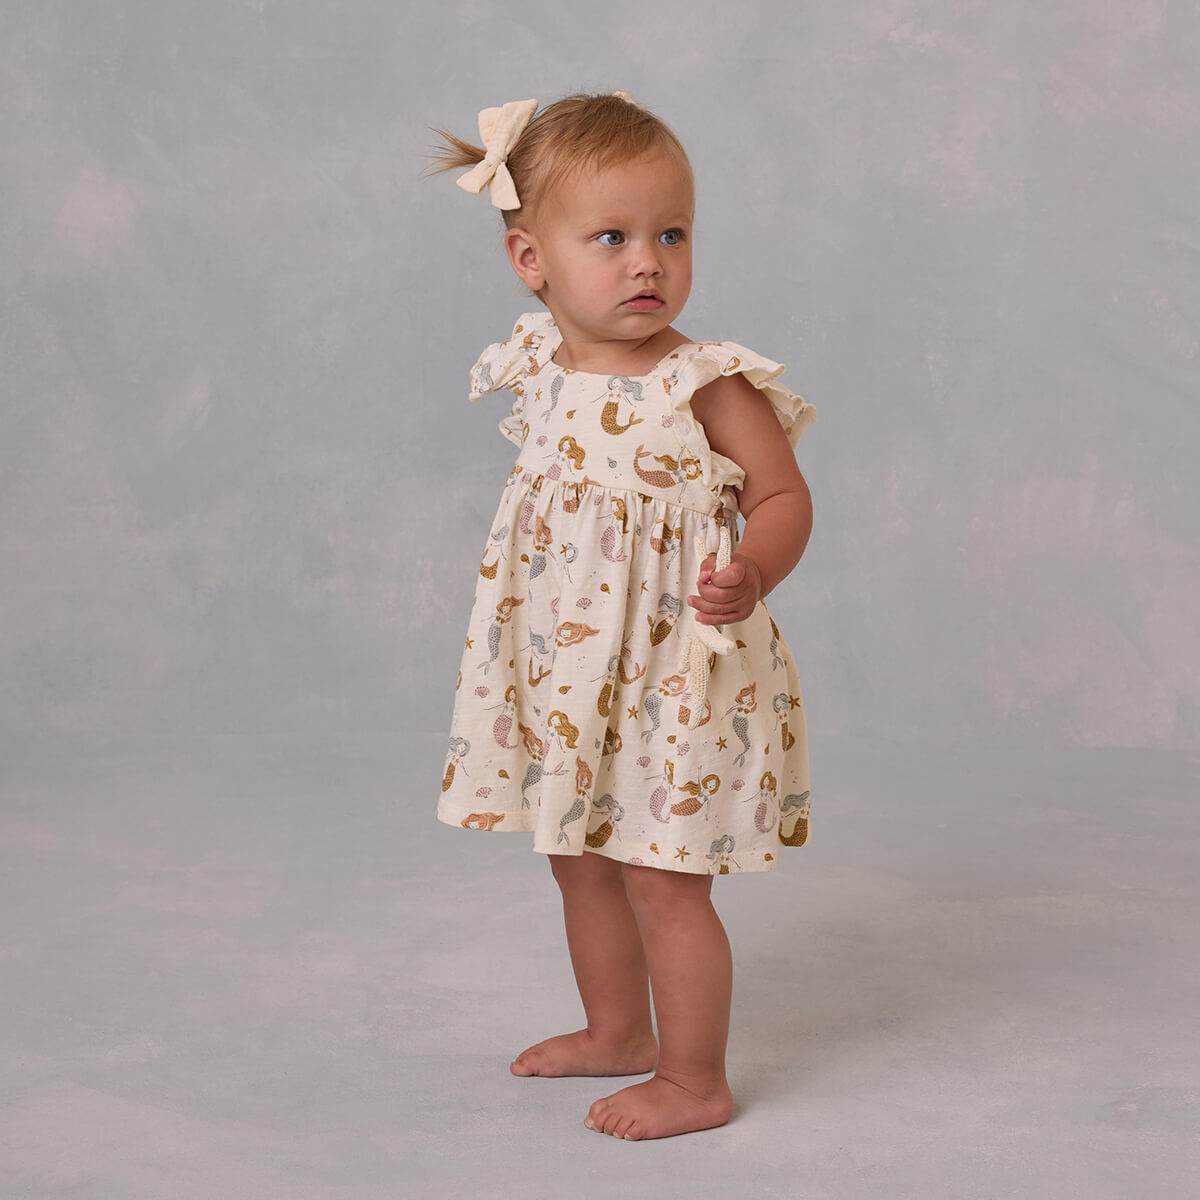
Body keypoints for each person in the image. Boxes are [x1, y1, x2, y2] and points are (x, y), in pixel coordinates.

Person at [430, 93, 817, 1141]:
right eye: (611, 238)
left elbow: (784, 497)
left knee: (663, 879)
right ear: (532, 259)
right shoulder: (537, 364)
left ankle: (694, 1079)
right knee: (580, 858)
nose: (648, 262)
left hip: (676, 671)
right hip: (570, 674)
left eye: (671, 235)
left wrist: (754, 569)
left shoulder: (703, 384)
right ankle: (617, 1031)